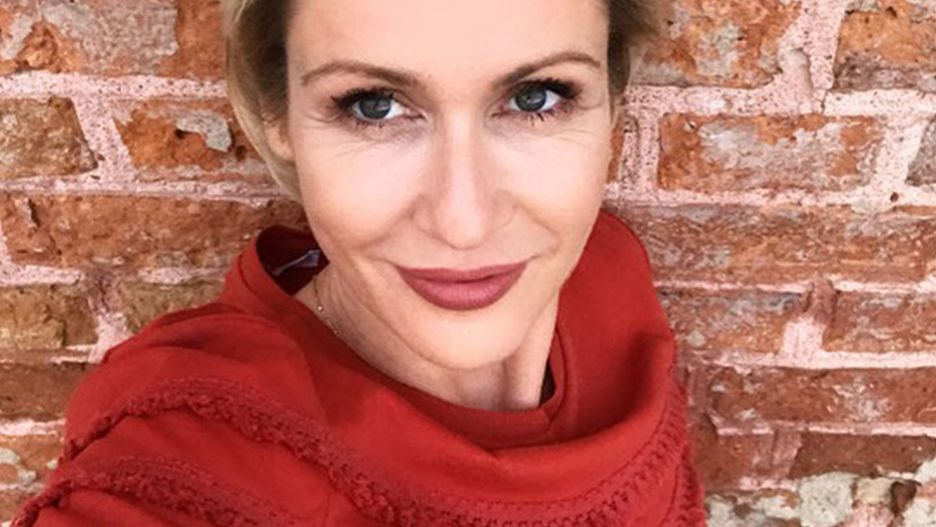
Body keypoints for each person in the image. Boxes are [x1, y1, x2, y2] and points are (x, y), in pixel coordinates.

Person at [12, 0, 706, 525]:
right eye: (374, 106)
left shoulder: (608, 274)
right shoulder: (195, 463)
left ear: (613, 106)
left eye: (536, 98)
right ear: (278, 118)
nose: (463, 223)